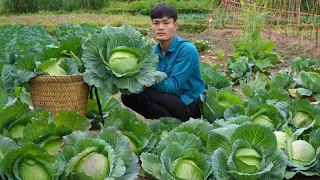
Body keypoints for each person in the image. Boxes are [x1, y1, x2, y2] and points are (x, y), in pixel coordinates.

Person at [121, 3, 205, 122]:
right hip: (167, 100)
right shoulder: (152, 51)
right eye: (156, 23)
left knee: (147, 94)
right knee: (128, 97)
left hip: (188, 106)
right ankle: (161, 121)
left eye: (166, 23)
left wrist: (143, 79)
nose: (160, 27)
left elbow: (173, 86)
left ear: (175, 26)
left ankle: (176, 124)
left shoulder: (187, 50)